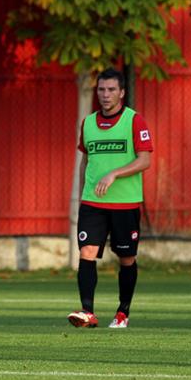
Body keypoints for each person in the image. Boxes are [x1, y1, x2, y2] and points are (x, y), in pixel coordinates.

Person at [67, 68, 153, 329]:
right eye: (102, 89)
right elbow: (85, 161)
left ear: (122, 92)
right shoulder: (88, 123)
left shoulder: (134, 121)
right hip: (92, 203)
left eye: (111, 90)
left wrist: (114, 174)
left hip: (125, 203)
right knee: (87, 252)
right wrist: (82, 195)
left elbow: (145, 160)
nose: (105, 95)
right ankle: (87, 312)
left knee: (126, 259)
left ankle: (123, 312)